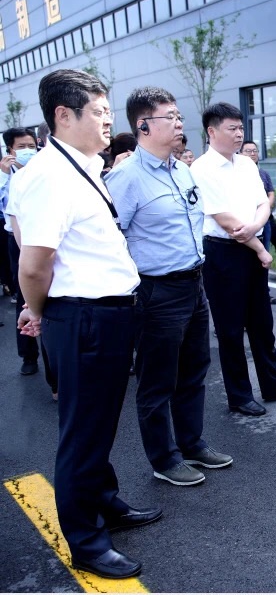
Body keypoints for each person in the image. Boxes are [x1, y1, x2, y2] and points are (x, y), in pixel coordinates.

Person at [13, 69, 160, 579]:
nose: (107, 121)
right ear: (63, 115)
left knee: (98, 424)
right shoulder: (51, 175)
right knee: (83, 432)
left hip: (106, 313)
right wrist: (37, 308)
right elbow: (33, 264)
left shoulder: (82, 166)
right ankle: (86, 541)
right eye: (98, 112)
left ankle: (106, 502)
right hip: (83, 317)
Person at [106, 86, 232, 487]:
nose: (180, 123)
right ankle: (165, 457)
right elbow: (113, 238)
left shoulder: (182, 169)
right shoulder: (125, 178)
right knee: (157, 380)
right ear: (143, 125)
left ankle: (192, 443)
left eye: (179, 116)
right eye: (170, 117)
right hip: (156, 292)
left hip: (193, 284)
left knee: (194, 370)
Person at [189, 102, 276, 416]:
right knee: (230, 330)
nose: (239, 134)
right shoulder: (201, 169)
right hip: (223, 254)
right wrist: (260, 247)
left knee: (262, 324)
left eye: (241, 128)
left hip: (252, 243)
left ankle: (272, 384)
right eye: (232, 128)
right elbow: (226, 221)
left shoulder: (246, 164)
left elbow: (263, 203)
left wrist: (256, 228)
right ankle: (239, 395)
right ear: (212, 131)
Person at [1, 127, 42, 376]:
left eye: (31, 146)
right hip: (15, 239)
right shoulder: (6, 175)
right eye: (22, 147)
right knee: (24, 292)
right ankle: (28, 355)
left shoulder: (42, 171)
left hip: (40, 235)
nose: (28, 151)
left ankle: (54, 369)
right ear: (10, 150)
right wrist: (4, 174)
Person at [241, 140, 276, 279]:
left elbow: (271, 193)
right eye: (248, 151)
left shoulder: (263, 174)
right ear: (240, 153)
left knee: (273, 243)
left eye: (255, 151)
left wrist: (265, 208)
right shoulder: (237, 174)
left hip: (266, 217)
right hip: (249, 218)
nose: (252, 154)